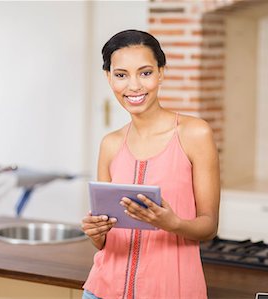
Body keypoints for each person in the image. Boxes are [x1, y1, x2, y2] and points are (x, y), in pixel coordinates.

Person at [81, 29, 220, 299]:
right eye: (121, 75)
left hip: (171, 291)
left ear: (161, 73)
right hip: (101, 290)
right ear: (109, 78)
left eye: (145, 73)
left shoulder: (194, 133)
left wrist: (172, 223)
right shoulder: (110, 144)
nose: (134, 86)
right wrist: (95, 232)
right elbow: (105, 243)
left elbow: (209, 226)